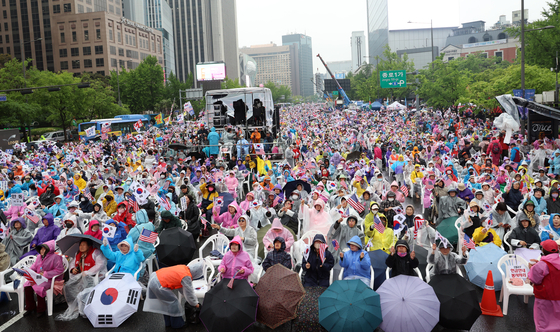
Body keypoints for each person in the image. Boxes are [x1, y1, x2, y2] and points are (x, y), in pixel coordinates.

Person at [144, 264, 202, 329]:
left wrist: (189, 299)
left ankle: (168, 323)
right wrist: (195, 304)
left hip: (155, 278)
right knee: (173, 304)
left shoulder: (184, 268)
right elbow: (189, 294)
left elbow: (182, 287)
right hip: (159, 284)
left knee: (166, 303)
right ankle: (178, 325)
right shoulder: (186, 276)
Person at [23, 240, 64, 318]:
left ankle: (41, 309)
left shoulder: (56, 257)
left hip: (50, 279)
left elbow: (59, 270)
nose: (41, 251)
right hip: (39, 277)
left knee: (39, 287)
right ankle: (30, 307)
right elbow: (34, 266)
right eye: (41, 249)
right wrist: (28, 270)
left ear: (49, 249)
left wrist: (46, 274)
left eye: (44, 249)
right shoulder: (39, 257)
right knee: (27, 285)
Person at [528, 240, 560, 332]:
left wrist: (532, 268)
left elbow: (534, 279)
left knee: (543, 323)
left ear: (543, 251)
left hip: (544, 298)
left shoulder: (542, 265)